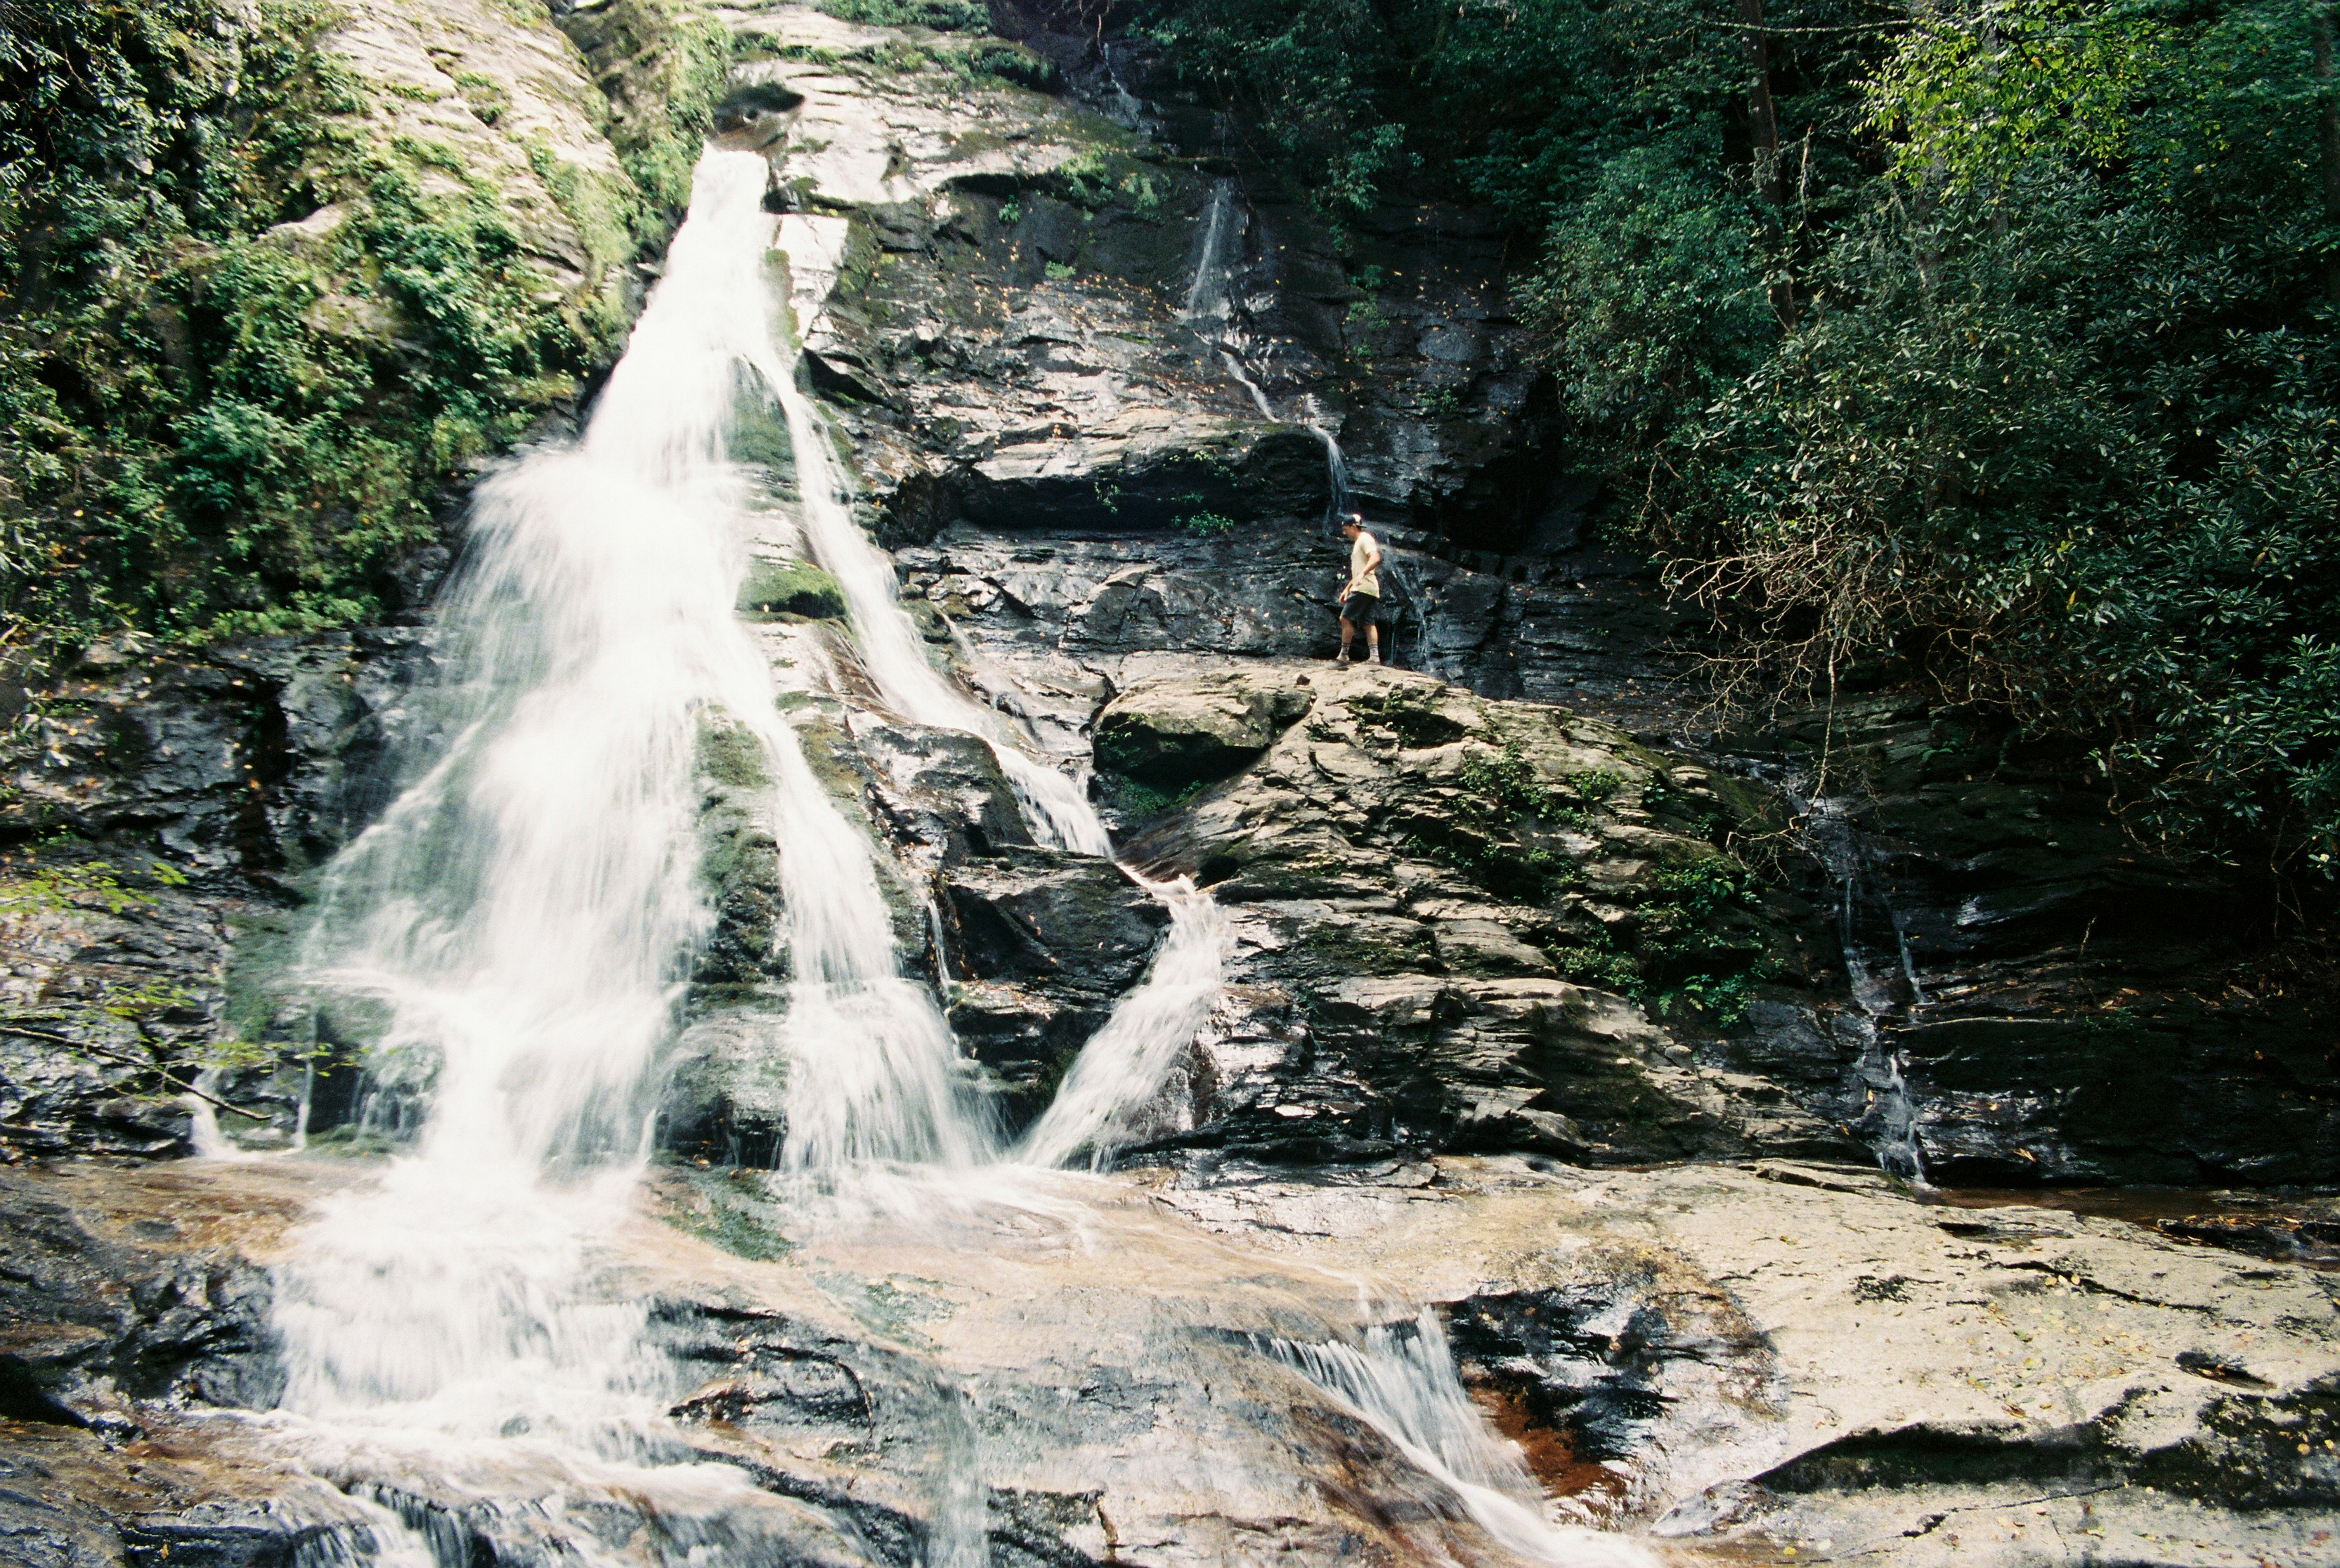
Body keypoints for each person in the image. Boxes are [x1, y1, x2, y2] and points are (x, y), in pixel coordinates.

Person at [1336, 511, 1382, 666]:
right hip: (1369, 588)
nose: (1344, 532)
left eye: (1345, 528)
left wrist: (1363, 573)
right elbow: (1358, 571)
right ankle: (1375, 657)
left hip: (1363, 587)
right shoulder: (1360, 542)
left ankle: (1343, 656)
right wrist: (1347, 588)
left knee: (1345, 618)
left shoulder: (1365, 539)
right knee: (1367, 622)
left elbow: (1375, 558)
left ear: (1353, 526)